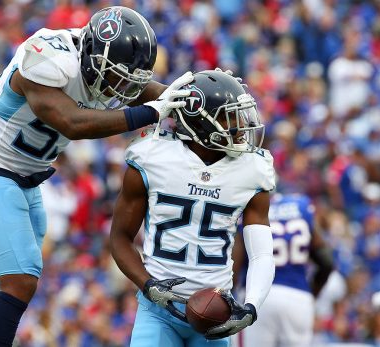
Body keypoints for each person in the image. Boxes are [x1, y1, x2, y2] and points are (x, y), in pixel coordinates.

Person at [0, 6, 193, 347]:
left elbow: (141, 88)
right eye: (117, 76)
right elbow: (71, 122)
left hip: (24, 181)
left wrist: (191, 97)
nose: (121, 87)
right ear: (95, 58)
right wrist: (151, 113)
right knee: (20, 281)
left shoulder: (98, 63)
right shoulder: (49, 57)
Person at [110, 68, 276, 347]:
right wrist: (148, 285)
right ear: (200, 121)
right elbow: (120, 239)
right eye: (229, 115)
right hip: (158, 312)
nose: (240, 124)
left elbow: (261, 254)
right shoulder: (153, 157)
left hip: (217, 314)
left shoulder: (252, 170)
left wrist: (251, 306)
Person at [239, 193, 334, 347]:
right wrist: (311, 295)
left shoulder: (249, 206)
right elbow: (326, 262)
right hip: (297, 297)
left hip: (257, 297)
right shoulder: (301, 206)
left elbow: (234, 265)